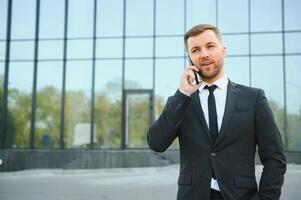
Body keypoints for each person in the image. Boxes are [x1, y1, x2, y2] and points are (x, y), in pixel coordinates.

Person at [147, 24, 286, 200]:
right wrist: (182, 94)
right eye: (195, 50)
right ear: (190, 58)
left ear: (223, 50)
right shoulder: (182, 101)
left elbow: (275, 157)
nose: (204, 54)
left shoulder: (254, 98)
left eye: (210, 46)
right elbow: (156, 143)